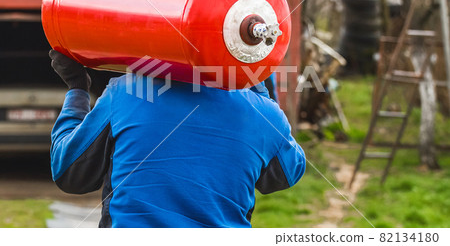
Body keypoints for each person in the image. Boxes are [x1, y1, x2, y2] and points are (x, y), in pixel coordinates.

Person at [49, 48, 305, 228]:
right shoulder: (263, 115)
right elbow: (285, 174)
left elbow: (70, 173)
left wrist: (77, 89)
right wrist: (262, 88)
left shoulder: (126, 93)